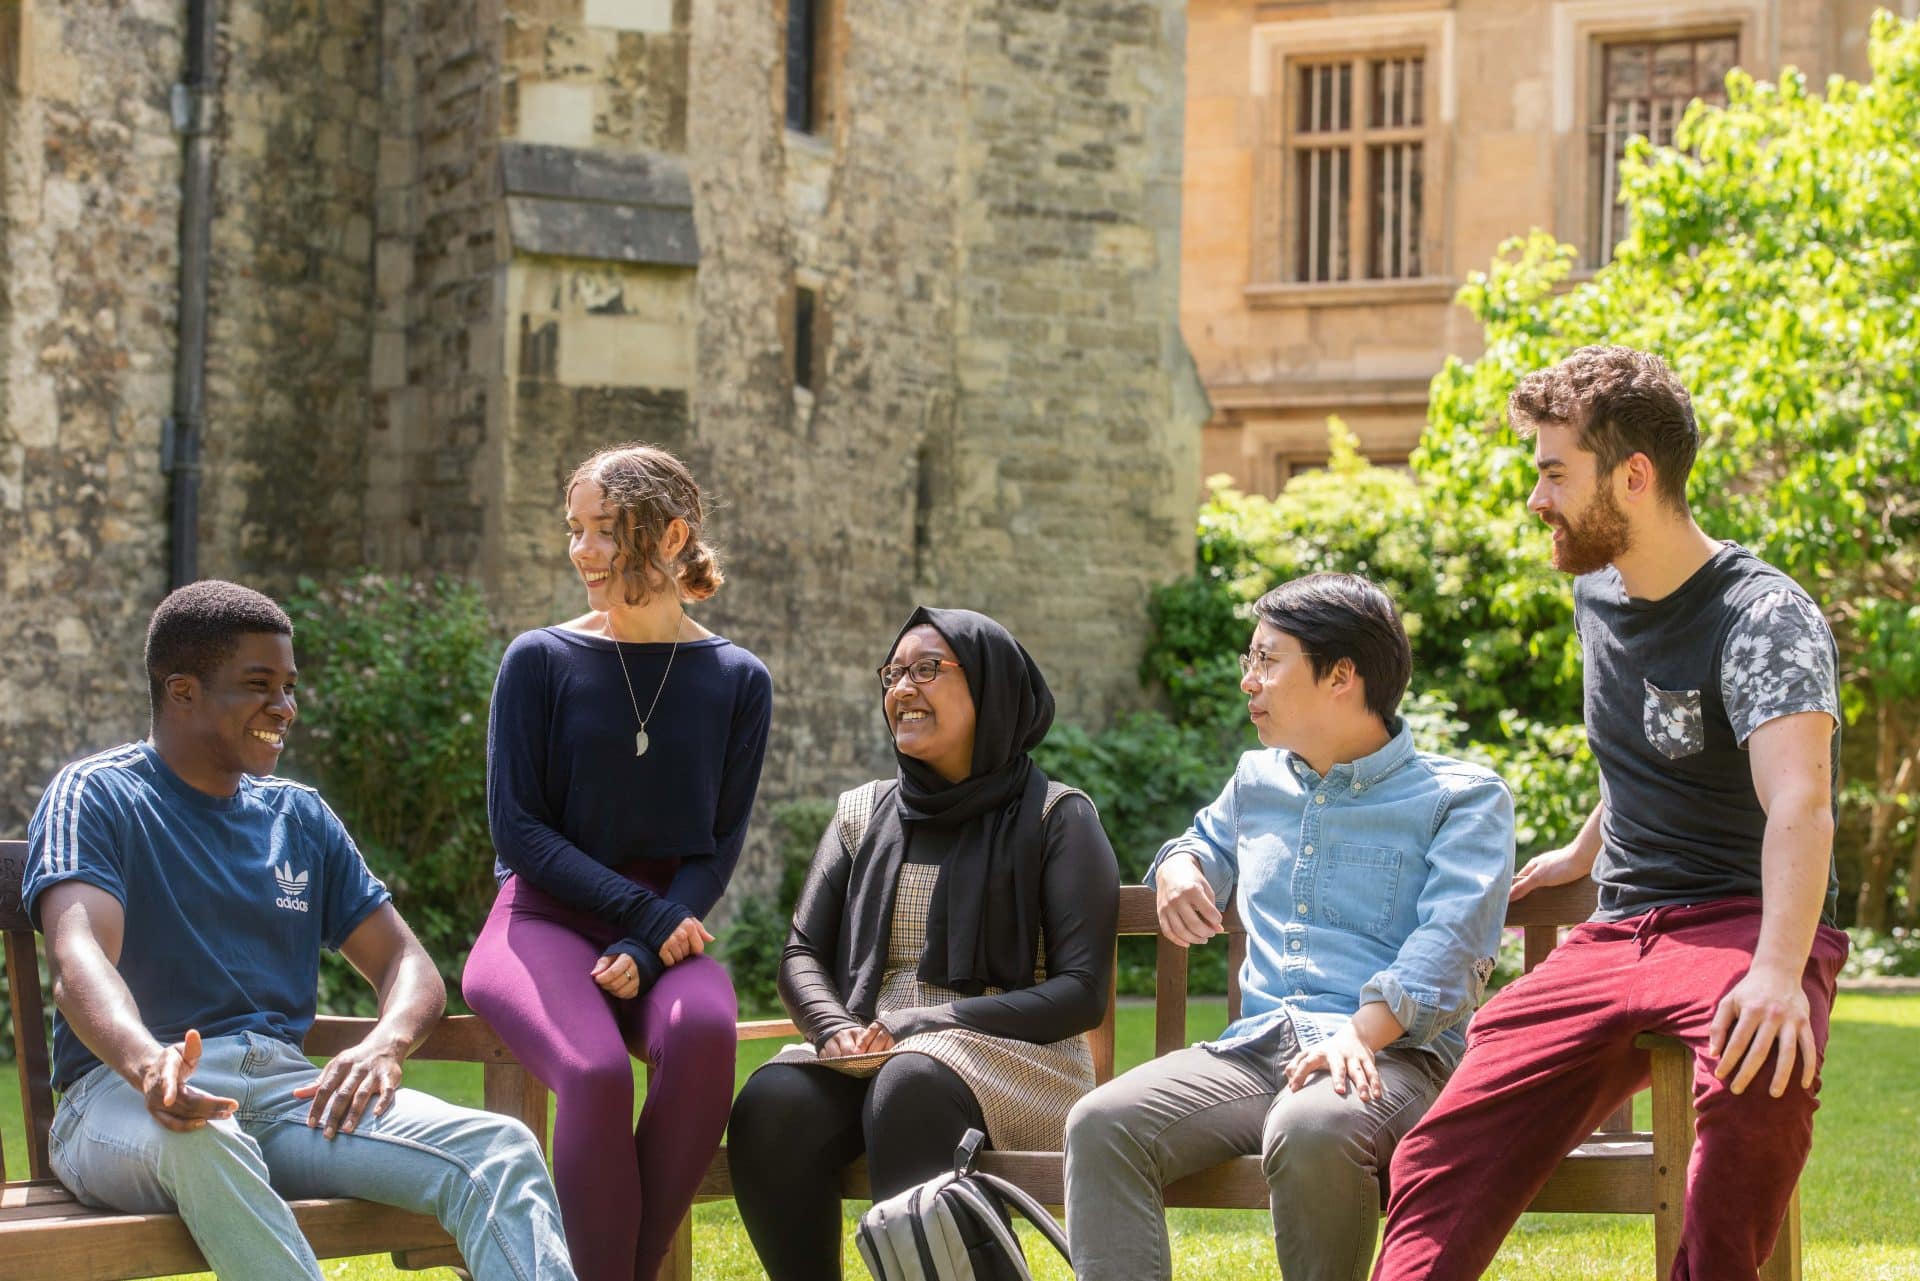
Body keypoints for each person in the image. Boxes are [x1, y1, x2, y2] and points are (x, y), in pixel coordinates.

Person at [1372, 346, 1849, 1281]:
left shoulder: (1761, 619)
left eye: (1555, 472)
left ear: (1634, 476)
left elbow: (1800, 798)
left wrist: (1778, 974)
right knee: (1436, 1156)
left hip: (1743, 919)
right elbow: (1650, 736)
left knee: (1752, 1106)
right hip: (1620, 925)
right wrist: (1586, 846)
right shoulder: (1596, 589)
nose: (1536, 498)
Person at [23, 580, 574, 1281]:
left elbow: (407, 963)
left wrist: (385, 1042)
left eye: (289, 686)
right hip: (123, 1096)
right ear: (182, 690)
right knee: (206, 1136)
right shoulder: (97, 794)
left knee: (498, 1146)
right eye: (259, 685)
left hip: (288, 1098)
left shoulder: (299, 817)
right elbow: (80, 963)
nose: (284, 707)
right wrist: (148, 1063)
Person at [1063, 572, 1515, 1281]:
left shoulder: (1463, 798)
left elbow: (1451, 944)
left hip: (1393, 1059)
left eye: (1268, 660)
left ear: (1342, 675)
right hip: (1258, 1050)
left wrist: (1359, 1032)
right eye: (1251, 659)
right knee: (1102, 1122)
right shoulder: (1256, 779)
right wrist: (1182, 865)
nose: (1249, 680)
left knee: (1309, 1126)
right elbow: (1202, 843)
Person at [727, 606, 1118, 1281]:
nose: (902, 688)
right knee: (771, 1103)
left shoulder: (1059, 817)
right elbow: (800, 954)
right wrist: (832, 1028)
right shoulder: (861, 813)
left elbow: (1079, 994)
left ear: (991, 686)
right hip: (878, 1052)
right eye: (893, 672)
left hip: (1019, 1061)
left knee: (912, 1084)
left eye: (927, 669)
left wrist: (922, 1023)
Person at [462, 443, 773, 1281]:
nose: (582, 551)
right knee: (596, 1071)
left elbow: (717, 847)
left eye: (606, 530)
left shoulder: (739, 680)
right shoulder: (539, 660)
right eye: (575, 529)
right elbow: (518, 831)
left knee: (707, 1031)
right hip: (540, 917)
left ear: (672, 537)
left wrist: (644, 942)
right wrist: (649, 922)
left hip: (662, 924)